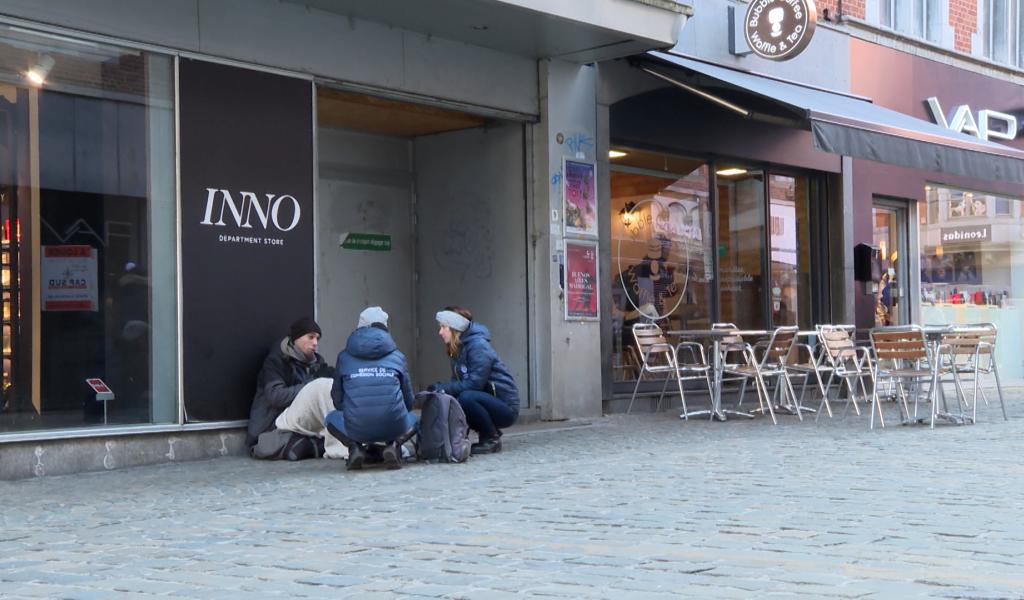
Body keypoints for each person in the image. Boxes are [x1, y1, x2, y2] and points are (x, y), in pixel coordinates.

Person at [325, 306, 418, 470]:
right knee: (417, 417)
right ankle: (394, 446)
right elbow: (409, 402)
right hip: (393, 425)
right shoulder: (398, 356)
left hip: (357, 428)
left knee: (330, 418)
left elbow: (337, 400)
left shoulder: (344, 356)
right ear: (385, 327)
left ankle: (355, 448)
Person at [246, 317, 342, 460]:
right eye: (310, 337)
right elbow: (276, 397)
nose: (315, 343)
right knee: (319, 386)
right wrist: (311, 384)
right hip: (270, 427)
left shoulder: (317, 364)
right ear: (296, 338)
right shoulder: (276, 362)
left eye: (317, 339)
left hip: (298, 423)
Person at [429, 307, 519, 455]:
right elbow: (458, 382)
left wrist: (443, 388)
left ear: (455, 327)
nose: (440, 332)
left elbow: (474, 383)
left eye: (443, 327)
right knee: (457, 398)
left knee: (466, 397)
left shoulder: (478, 346)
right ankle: (482, 433)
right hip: (486, 400)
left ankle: (491, 439)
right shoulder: (457, 348)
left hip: (505, 407)